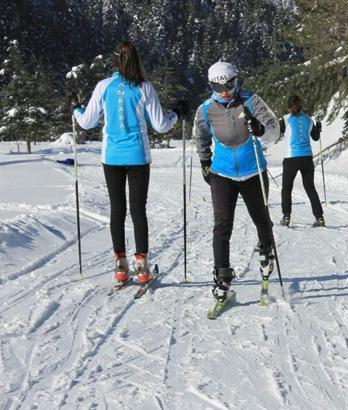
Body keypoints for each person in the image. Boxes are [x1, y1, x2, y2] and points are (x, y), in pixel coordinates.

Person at [73, 41, 187, 284]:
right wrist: (176, 112)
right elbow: (160, 125)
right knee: (137, 210)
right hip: (137, 156)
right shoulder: (144, 87)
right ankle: (142, 266)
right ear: (137, 61)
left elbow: (87, 122)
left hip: (111, 157)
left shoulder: (104, 86)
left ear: (116, 62)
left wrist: (76, 109)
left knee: (117, 209)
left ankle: (120, 265)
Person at [193, 60, 280, 303]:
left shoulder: (251, 101)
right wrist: (204, 161)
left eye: (228, 85)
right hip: (222, 173)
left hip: (253, 169)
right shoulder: (206, 109)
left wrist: (260, 130)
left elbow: (275, 131)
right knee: (222, 226)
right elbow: (201, 136)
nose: (223, 91)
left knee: (261, 219)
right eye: (216, 86)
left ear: (235, 81)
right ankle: (222, 276)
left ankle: (266, 251)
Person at [278, 95, 325, 227]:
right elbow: (315, 138)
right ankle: (319, 217)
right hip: (307, 158)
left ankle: (286, 217)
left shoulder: (285, 119)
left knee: (287, 188)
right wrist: (318, 128)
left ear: (288, 106)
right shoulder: (309, 120)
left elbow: (276, 132)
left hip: (291, 158)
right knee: (310, 188)